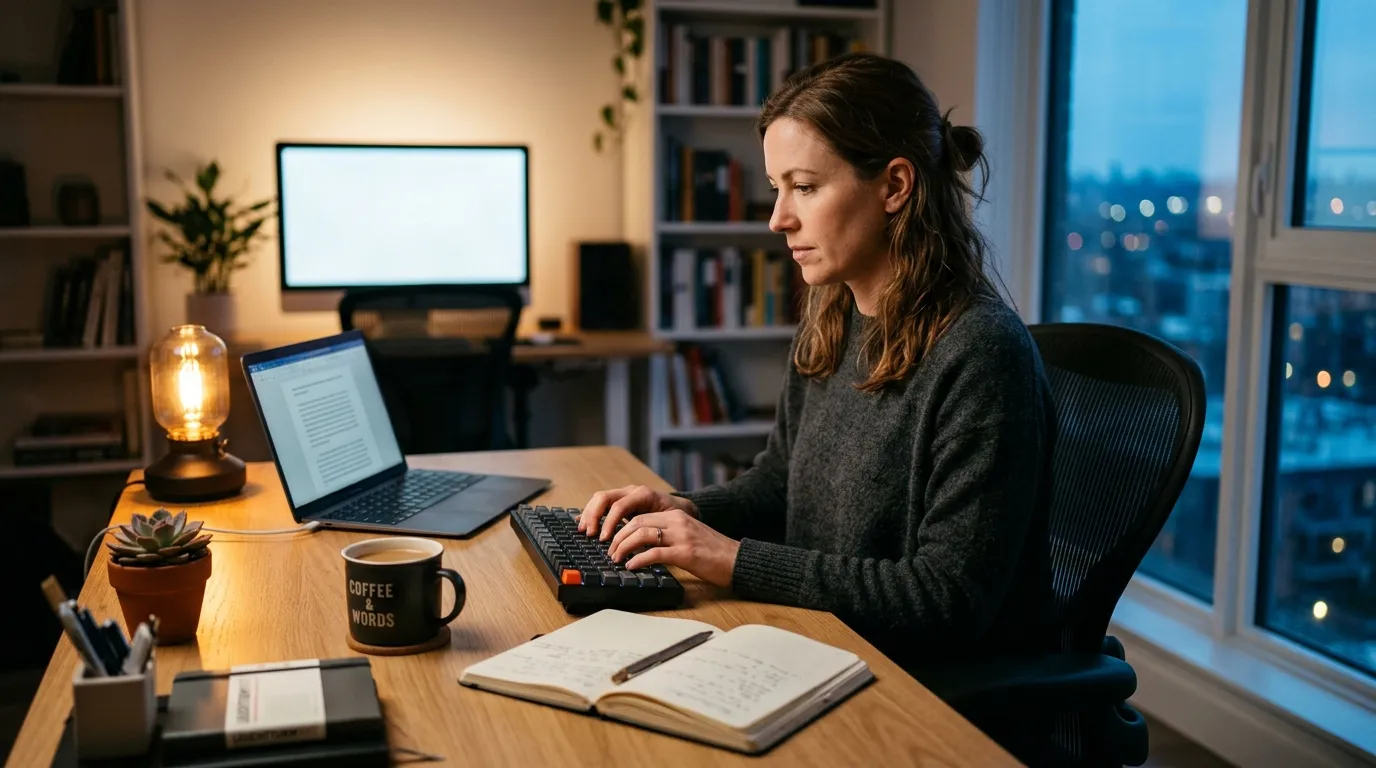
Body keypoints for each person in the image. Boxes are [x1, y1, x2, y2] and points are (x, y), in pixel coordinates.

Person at [579, 51, 1057, 669]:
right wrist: (688, 511)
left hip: (921, 687)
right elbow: (781, 484)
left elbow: (947, 599)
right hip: (822, 641)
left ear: (895, 186)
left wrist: (730, 559)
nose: (778, 219)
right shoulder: (833, 314)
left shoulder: (983, 353)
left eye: (804, 187)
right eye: (777, 189)